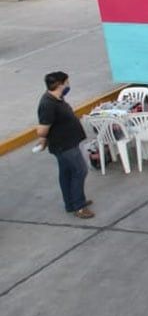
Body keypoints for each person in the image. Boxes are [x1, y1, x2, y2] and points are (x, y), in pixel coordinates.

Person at [35, 71, 92, 219]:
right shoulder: (48, 104)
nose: (68, 85)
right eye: (67, 82)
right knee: (80, 171)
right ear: (60, 84)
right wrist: (42, 140)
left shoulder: (57, 98)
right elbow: (42, 129)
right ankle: (79, 206)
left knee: (66, 173)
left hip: (68, 142)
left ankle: (71, 203)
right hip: (64, 145)